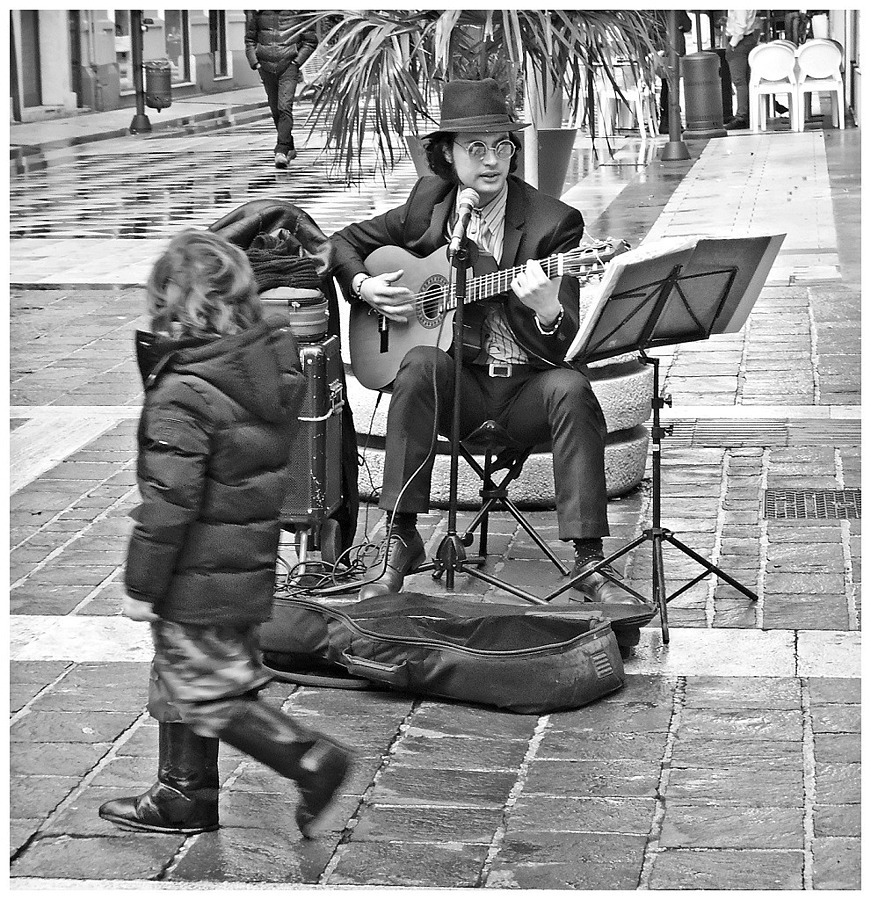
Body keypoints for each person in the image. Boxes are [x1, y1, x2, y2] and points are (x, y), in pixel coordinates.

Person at [331, 78, 642, 611]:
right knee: (419, 363)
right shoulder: (428, 206)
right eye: (475, 147)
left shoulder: (553, 223)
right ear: (447, 154)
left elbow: (567, 340)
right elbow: (341, 243)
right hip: (460, 392)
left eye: (502, 145)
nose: (492, 160)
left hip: (526, 392)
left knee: (571, 388)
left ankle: (589, 556)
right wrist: (364, 286)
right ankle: (400, 536)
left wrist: (547, 310)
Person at [98, 230, 353, 838]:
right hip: (242, 567)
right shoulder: (257, 370)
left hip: (195, 576)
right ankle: (184, 793)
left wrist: (140, 587)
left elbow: (169, 502)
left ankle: (310, 760)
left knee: (209, 691)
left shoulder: (184, 391)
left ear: (172, 303)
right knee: (183, 672)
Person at [245, 11, 318, 168]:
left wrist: (296, 62)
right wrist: (255, 63)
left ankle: (281, 151)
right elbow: (250, 40)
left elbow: (310, 41)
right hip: (265, 67)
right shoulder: (259, 13)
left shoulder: (297, 13)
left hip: (288, 66)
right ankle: (289, 147)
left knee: (284, 107)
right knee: (275, 109)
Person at [723, 9, 760, 130]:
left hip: (740, 41)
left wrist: (732, 44)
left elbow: (741, 25)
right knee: (747, 80)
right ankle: (748, 114)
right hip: (748, 39)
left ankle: (741, 116)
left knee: (739, 81)